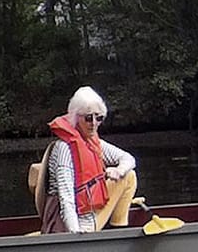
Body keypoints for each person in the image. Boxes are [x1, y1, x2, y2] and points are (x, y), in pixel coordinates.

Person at [37, 87, 137, 234]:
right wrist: (76, 234)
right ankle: (115, 236)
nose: (94, 123)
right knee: (129, 177)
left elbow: (128, 158)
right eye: (88, 118)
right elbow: (66, 200)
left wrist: (118, 170)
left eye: (99, 117)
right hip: (74, 225)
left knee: (128, 175)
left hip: (91, 214)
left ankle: (118, 231)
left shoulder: (92, 142)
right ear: (76, 117)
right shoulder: (64, 149)